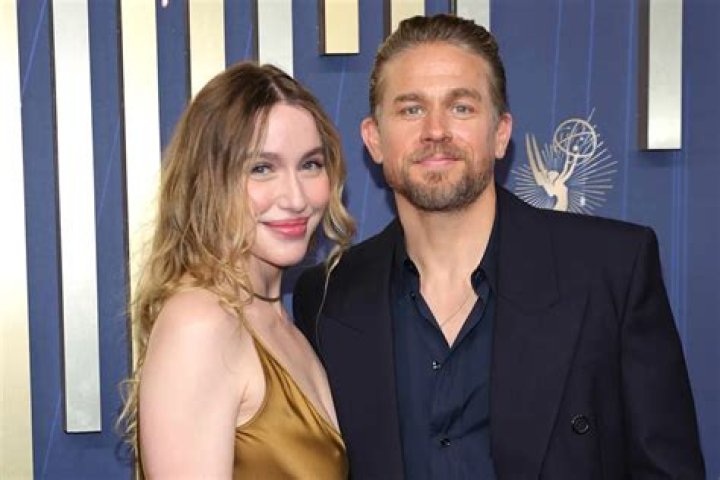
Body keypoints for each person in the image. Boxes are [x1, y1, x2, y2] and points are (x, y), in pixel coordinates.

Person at [293, 14, 705, 479]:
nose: (435, 130)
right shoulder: (328, 296)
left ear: (501, 133)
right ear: (374, 139)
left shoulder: (610, 272)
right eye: (410, 109)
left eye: (461, 107)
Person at [118, 62, 354, 478]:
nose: (296, 198)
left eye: (310, 164)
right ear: (208, 182)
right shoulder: (201, 323)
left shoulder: (281, 321)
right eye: (262, 168)